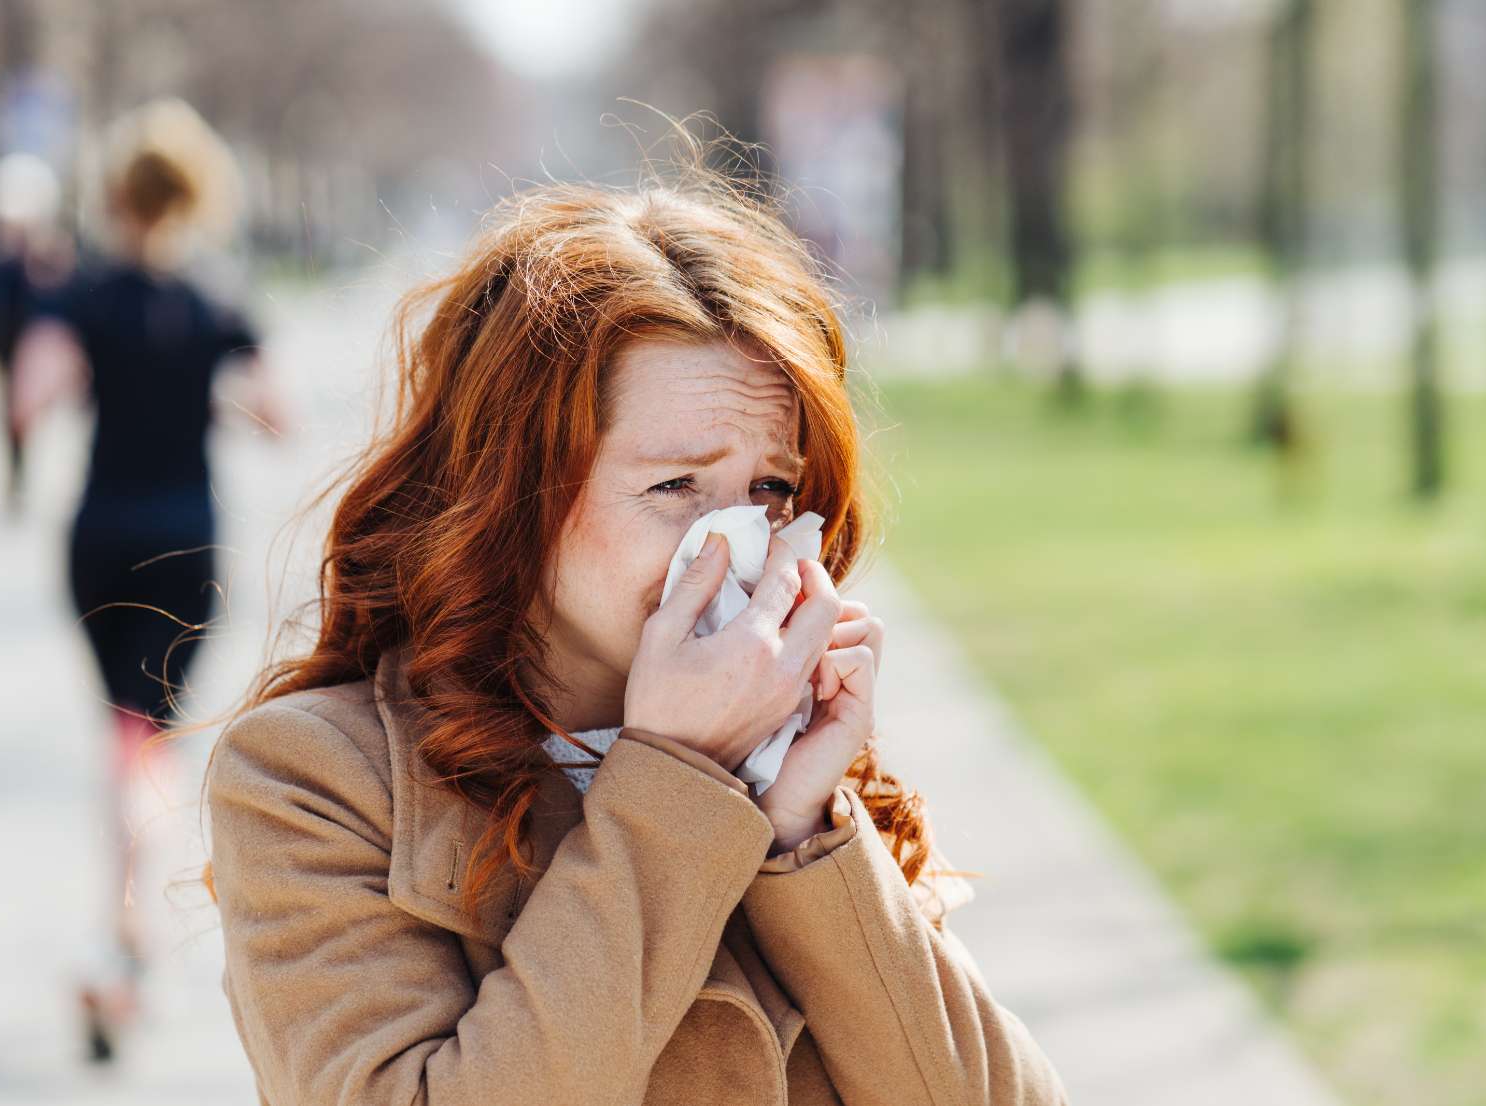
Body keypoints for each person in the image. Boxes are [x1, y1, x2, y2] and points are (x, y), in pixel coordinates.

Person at [199, 169, 1069, 1103]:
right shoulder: (315, 777)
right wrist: (675, 780)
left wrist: (804, 835)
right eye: (674, 488)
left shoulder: (797, 763)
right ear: (510, 495)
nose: (736, 548)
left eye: (769, 491)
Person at [9, 98, 285, 1063]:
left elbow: (31, 394)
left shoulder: (79, 294)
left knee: (125, 734)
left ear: (118, 196)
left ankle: (121, 933)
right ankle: (126, 939)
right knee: (147, 740)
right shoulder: (217, 299)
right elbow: (273, 412)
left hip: (96, 539)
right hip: (184, 543)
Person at [0, 152, 74, 514]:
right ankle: (16, 478)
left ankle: (22, 476)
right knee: (9, 419)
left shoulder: (41, 261)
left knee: (25, 417)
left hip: (28, 350)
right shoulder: (3, 265)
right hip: (7, 349)